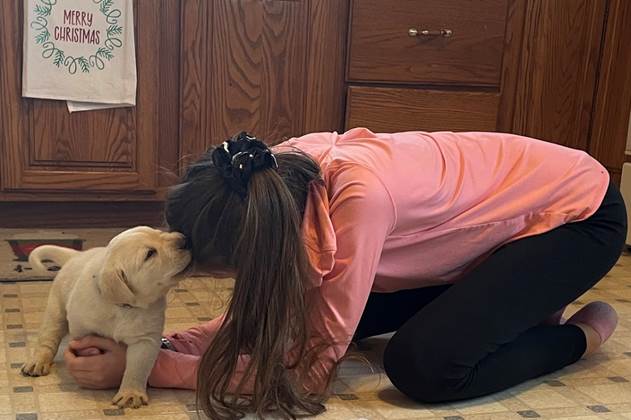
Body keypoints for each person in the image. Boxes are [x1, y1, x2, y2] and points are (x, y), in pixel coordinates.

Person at [65, 128, 627, 419]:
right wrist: (162, 342)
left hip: (577, 219)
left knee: (423, 367)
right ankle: (510, 311)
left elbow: (309, 374)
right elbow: (265, 311)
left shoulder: (359, 201)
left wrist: (156, 369)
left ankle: (575, 337)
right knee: (317, 311)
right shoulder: (265, 182)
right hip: (474, 237)